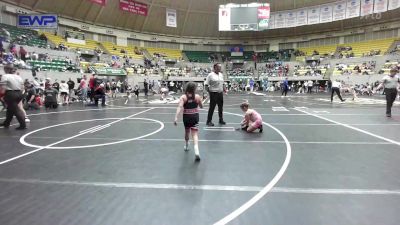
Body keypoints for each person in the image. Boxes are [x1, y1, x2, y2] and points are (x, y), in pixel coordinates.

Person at [174, 82, 203, 161]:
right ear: (194, 89)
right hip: (195, 117)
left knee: (187, 132)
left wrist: (176, 117)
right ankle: (196, 150)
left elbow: (179, 107)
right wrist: (201, 101)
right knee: (195, 134)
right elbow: (201, 106)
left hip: (186, 117)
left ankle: (186, 146)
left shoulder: (183, 97)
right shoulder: (197, 97)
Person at [0, 64, 26, 129]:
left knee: (16, 110)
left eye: (4, 69)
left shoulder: (5, 76)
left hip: (10, 94)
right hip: (19, 94)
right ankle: (6, 123)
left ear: (7, 69)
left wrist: (1, 95)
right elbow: (22, 88)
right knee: (10, 109)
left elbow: (2, 90)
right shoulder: (18, 77)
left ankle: (23, 125)